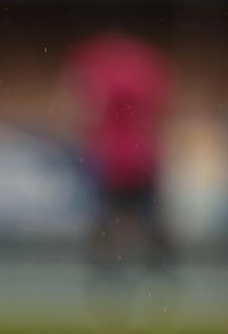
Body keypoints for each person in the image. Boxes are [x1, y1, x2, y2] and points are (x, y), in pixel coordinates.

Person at [64, 34, 174, 290]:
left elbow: (86, 112)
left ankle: (109, 279)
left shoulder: (98, 73)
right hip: (142, 156)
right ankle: (157, 276)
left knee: (109, 221)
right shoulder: (146, 71)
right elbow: (162, 109)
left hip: (114, 158)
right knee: (148, 220)